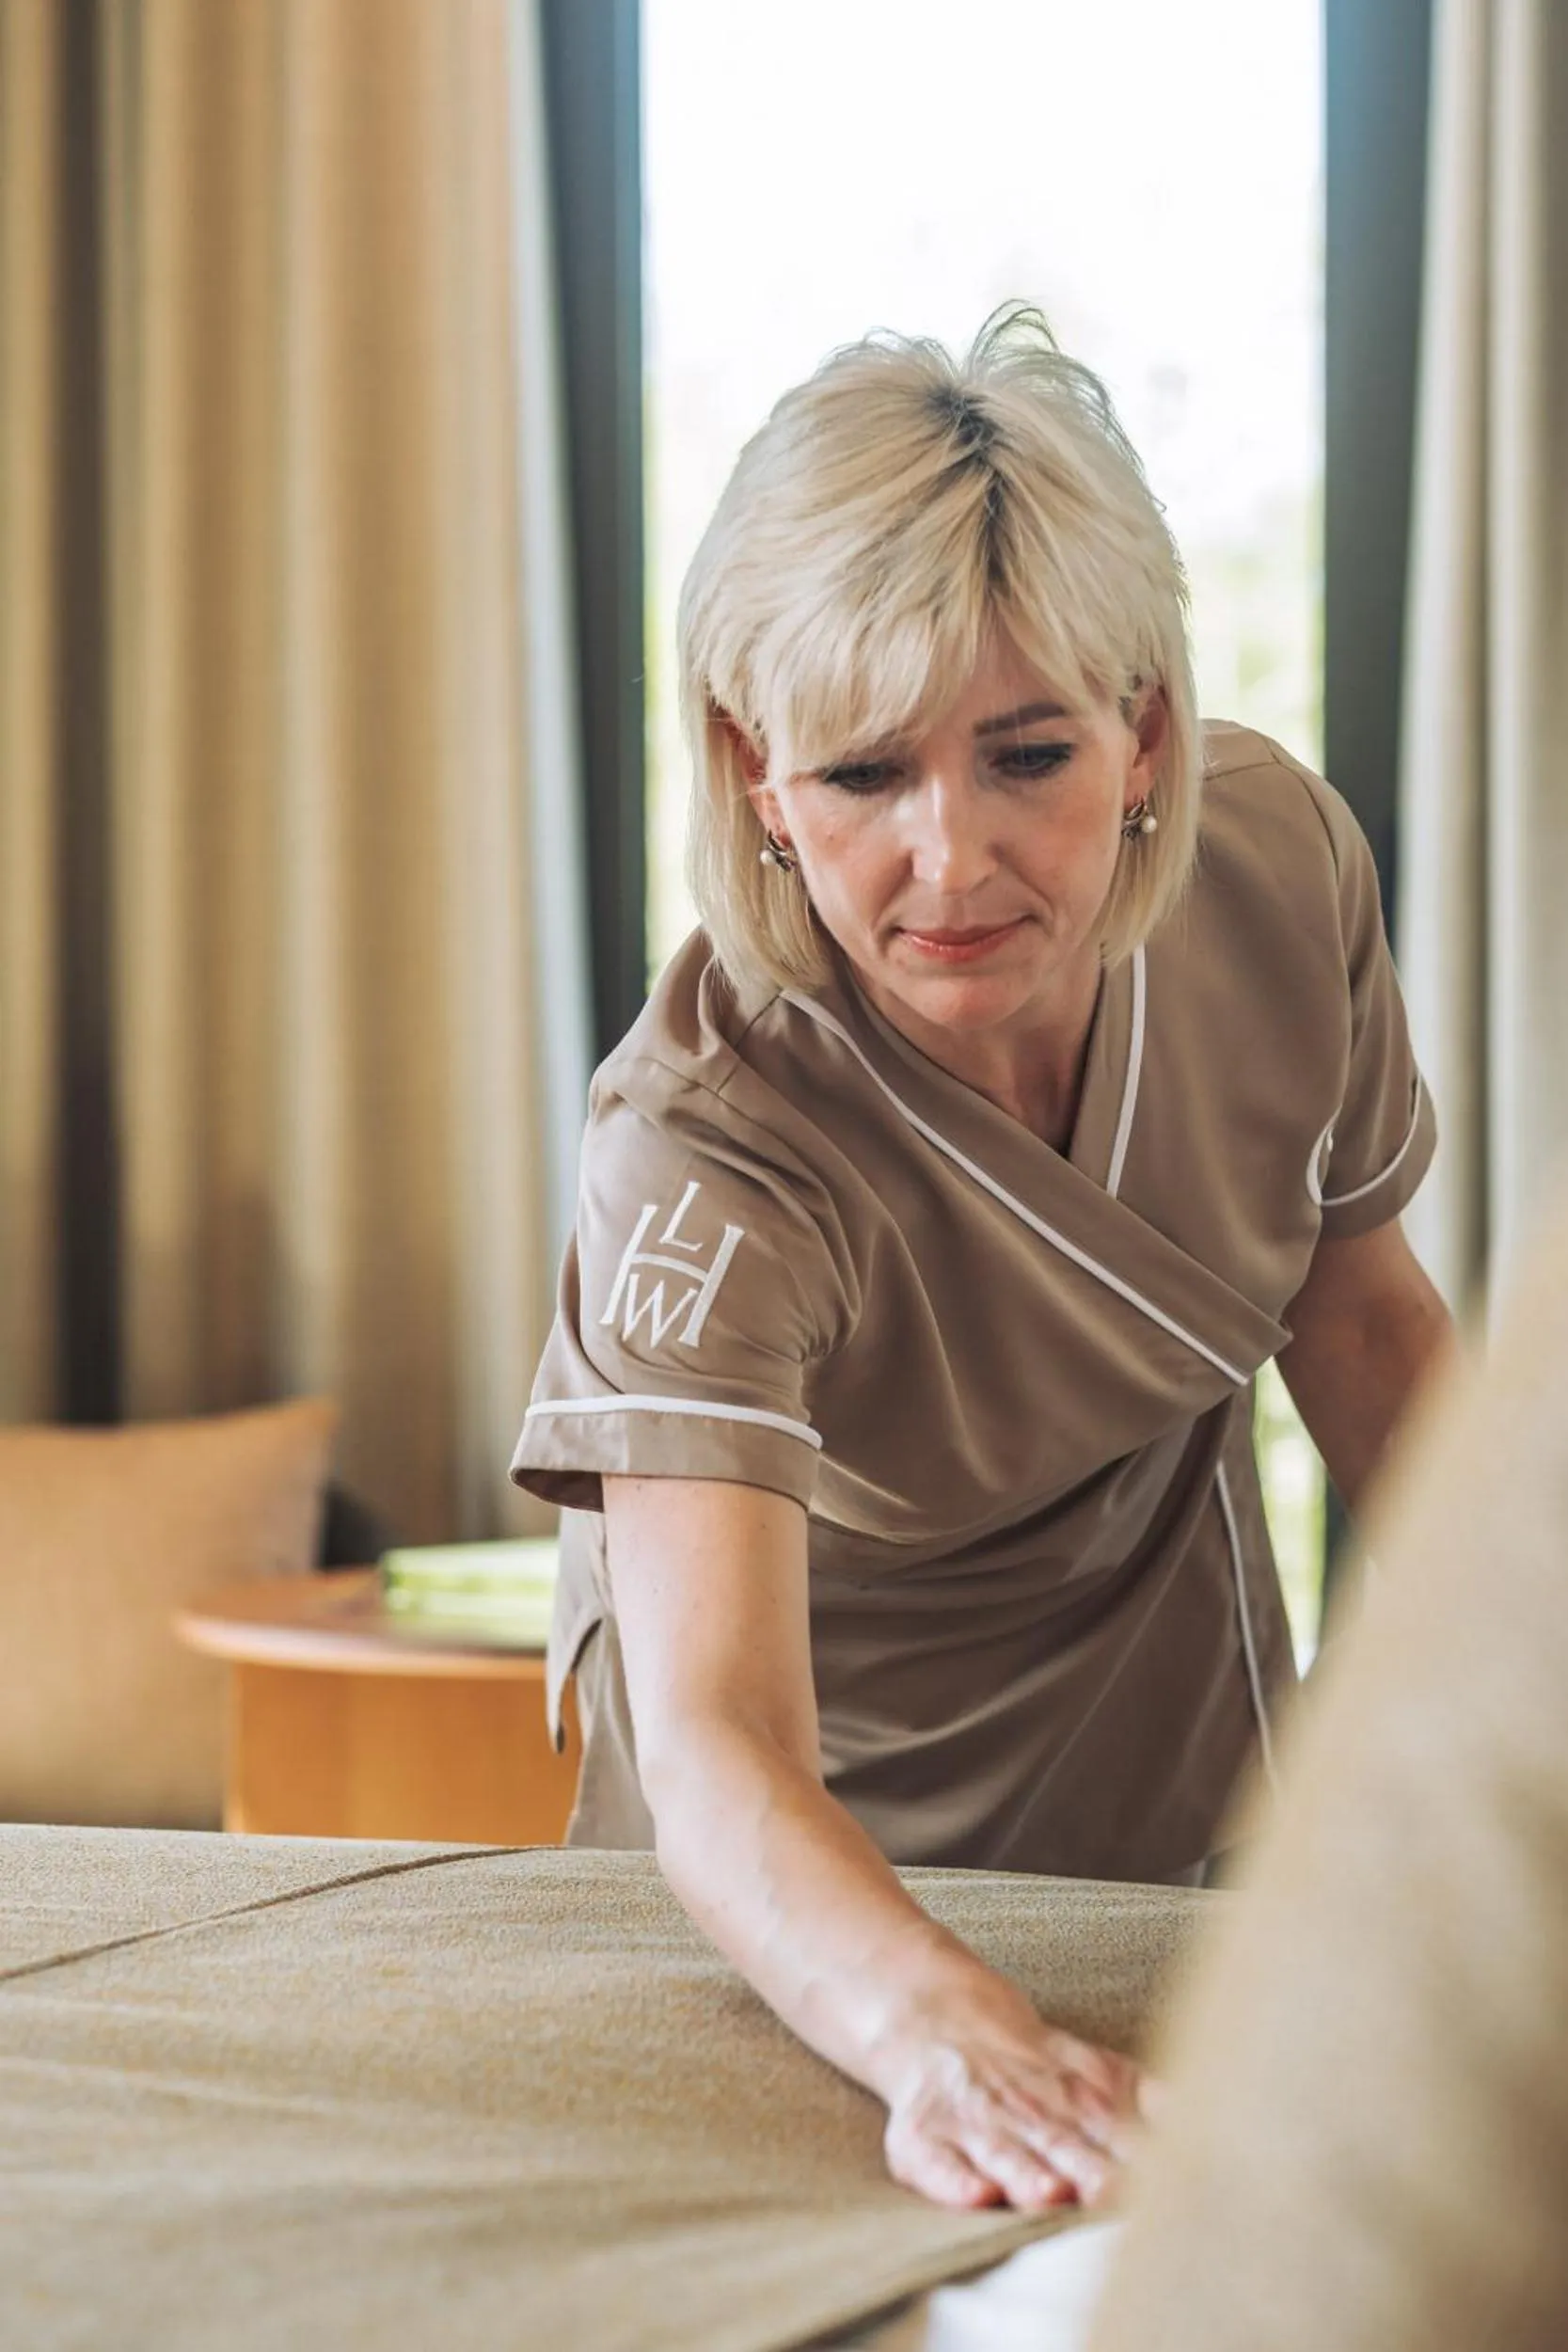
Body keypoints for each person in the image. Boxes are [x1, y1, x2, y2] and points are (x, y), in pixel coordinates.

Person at [510, 309, 1453, 2216]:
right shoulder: (701, 1139)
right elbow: (718, 1731)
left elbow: (1359, 1326)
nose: (952, 863)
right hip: (803, 1856)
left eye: (1024, 752)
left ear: (1143, 735)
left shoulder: (1274, 871)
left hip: (1170, 1733)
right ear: (751, 774)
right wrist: (928, 2021)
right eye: (861, 774)